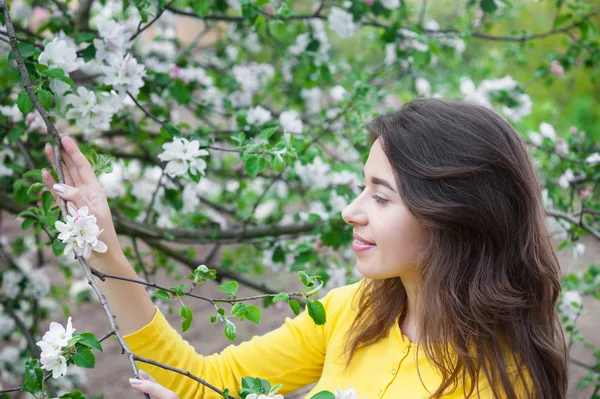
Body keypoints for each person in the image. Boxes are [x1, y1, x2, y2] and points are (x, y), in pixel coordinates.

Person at [41, 98, 568, 399]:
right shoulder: (354, 312)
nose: (351, 211)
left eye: (381, 196)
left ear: (454, 216)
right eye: (363, 187)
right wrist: (105, 248)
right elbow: (207, 383)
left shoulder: (497, 380)